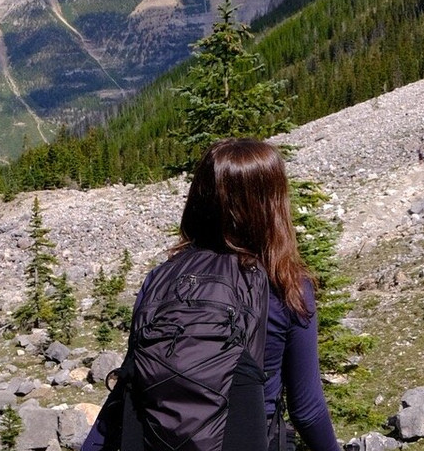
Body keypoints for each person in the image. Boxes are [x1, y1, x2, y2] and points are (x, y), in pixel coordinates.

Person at [82, 138, 340, 451]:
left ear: (200, 199)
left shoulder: (162, 279)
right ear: (273, 203)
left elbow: (130, 383)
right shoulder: (287, 285)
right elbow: (307, 408)